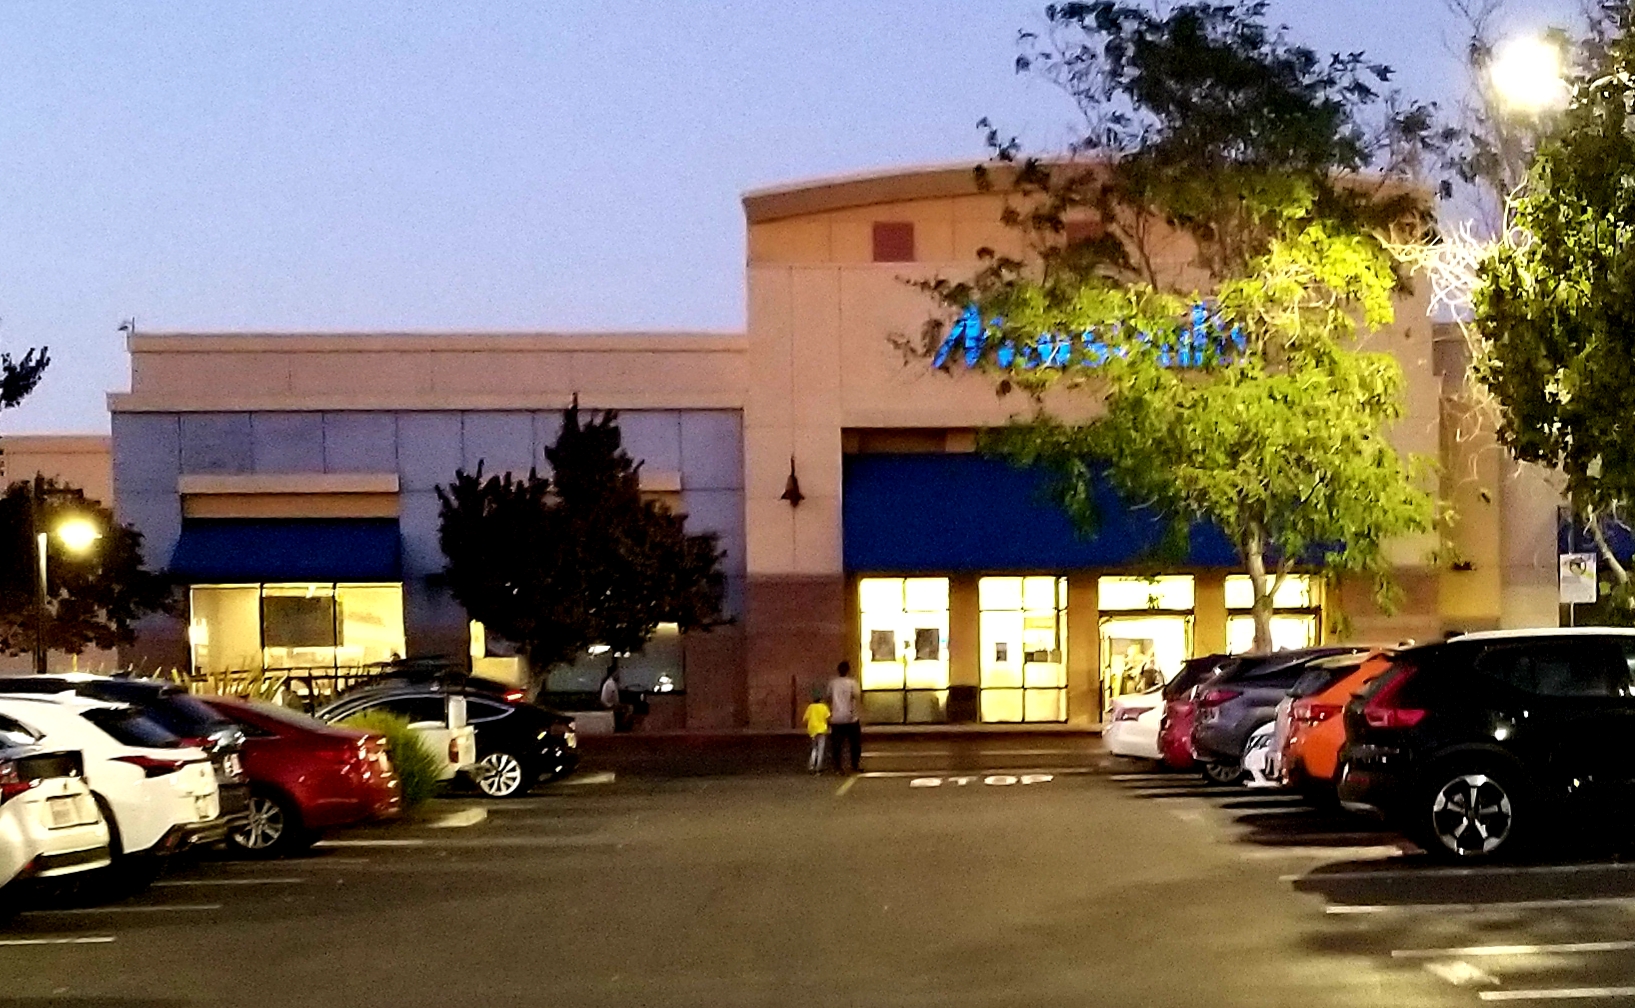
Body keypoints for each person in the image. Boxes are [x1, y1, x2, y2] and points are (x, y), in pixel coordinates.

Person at [826, 660, 862, 774]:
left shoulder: (832, 683)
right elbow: (857, 697)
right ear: (848, 670)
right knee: (855, 744)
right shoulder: (852, 683)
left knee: (837, 745)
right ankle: (854, 765)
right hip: (851, 718)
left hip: (836, 718)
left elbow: (828, 697)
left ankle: (838, 767)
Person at [802, 687, 831, 774]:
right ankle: (819, 767)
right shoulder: (824, 707)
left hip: (812, 730)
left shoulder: (810, 707)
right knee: (821, 749)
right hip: (822, 729)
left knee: (814, 748)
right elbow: (828, 717)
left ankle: (811, 766)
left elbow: (805, 719)